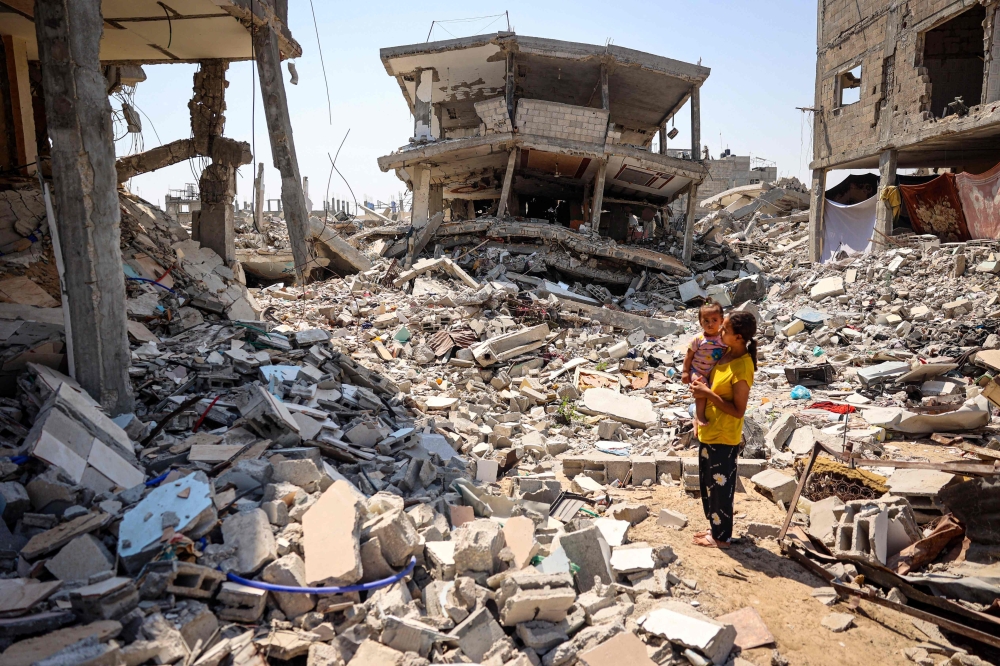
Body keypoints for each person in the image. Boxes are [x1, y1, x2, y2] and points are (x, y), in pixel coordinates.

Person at [689, 311, 758, 549]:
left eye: (725, 330)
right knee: (710, 486)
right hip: (710, 431)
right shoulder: (726, 354)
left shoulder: (742, 367)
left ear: (738, 337)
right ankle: (715, 529)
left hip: (724, 435)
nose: (720, 332)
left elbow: (738, 410)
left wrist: (707, 394)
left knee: (721, 488)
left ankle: (722, 537)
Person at [682, 300, 726, 426]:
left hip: (714, 372)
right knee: (701, 391)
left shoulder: (723, 338)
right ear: (700, 322)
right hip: (698, 371)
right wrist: (685, 372)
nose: (710, 324)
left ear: (721, 321)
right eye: (706, 321)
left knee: (715, 392)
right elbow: (688, 356)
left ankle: (715, 414)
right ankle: (699, 416)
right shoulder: (698, 339)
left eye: (714, 320)